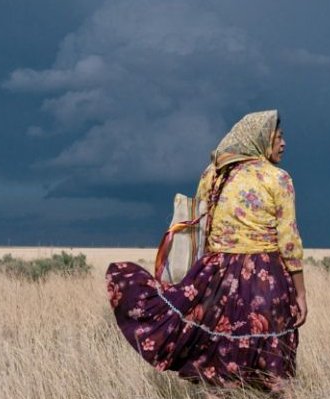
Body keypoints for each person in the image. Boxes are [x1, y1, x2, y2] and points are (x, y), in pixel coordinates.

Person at [106, 110, 307, 396]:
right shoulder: (278, 179)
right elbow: (289, 240)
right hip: (265, 278)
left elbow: (202, 220)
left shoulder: (214, 173)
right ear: (259, 138)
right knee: (274, 373)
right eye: (278, 136)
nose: (283, 143)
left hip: (216, 277)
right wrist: (300, 293)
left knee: (217, 362)